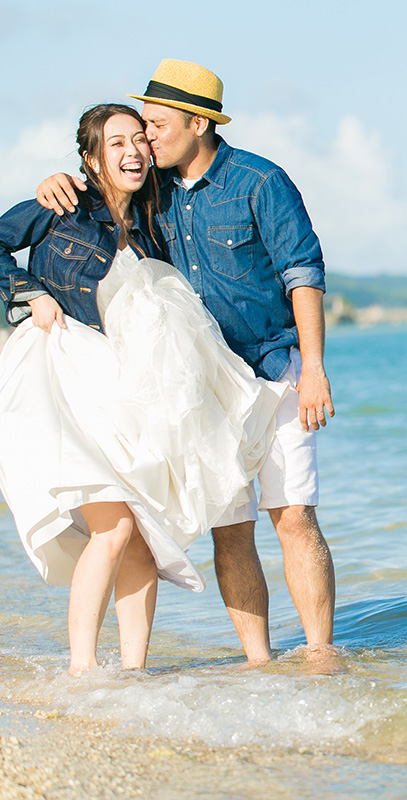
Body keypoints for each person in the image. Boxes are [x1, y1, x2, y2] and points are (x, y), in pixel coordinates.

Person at [39, 60, 337, 665]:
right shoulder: (154, 190)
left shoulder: (260, 181)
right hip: (202, 388)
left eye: (155, 124)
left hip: (275, 370)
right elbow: (98, 198)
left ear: (198, 123)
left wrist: (314, 368)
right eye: (141, 126)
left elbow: (303, 273)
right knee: (230, 530)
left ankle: (320, 657)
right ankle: (259, 663)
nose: (145, 138)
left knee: (294, 515)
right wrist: (55, 184)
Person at [0, 104, 286, 675]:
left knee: (140, 537)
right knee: (116, 526)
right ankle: (82, 671)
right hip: (61, 382)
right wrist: (30, 292)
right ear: (90, 157)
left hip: (119, 393)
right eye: (115, 144)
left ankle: (132, 674)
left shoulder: (156, 223)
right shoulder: (64, 206)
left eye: (139, 139)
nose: (132, 151)